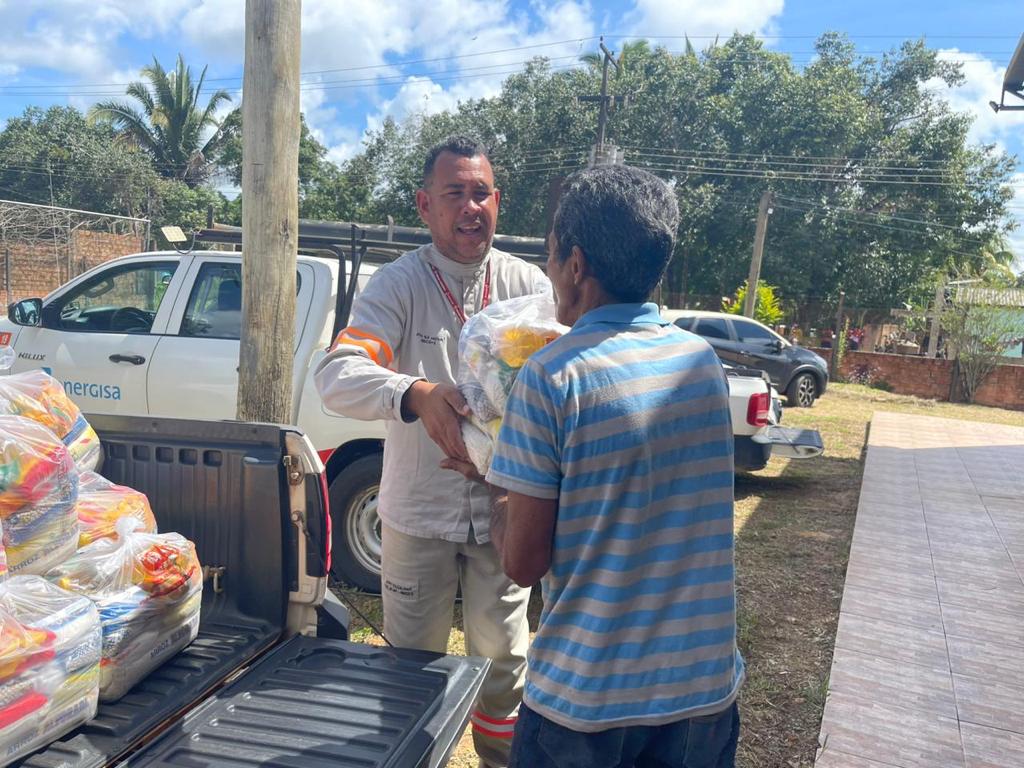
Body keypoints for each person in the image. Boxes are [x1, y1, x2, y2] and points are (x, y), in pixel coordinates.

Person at [446, 165, 743, 767]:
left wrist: (495, 479)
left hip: (587, 705)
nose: (550, 270)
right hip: (703, 693)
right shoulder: (702, 362)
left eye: (553, 255)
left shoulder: (552, 376)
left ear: (576, 265)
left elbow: (523, 563)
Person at [315, 135, 548, 768]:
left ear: (498, 200)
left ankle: (499, 759)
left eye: (482, 193)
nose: (471, 207)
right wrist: (414, 394)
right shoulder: (399, 284)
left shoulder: (528, 286)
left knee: (505, 665)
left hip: (505, 508)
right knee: (411, 670)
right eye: (454, 194)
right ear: (424, 205)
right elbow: (336, 374)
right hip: (418, 514)